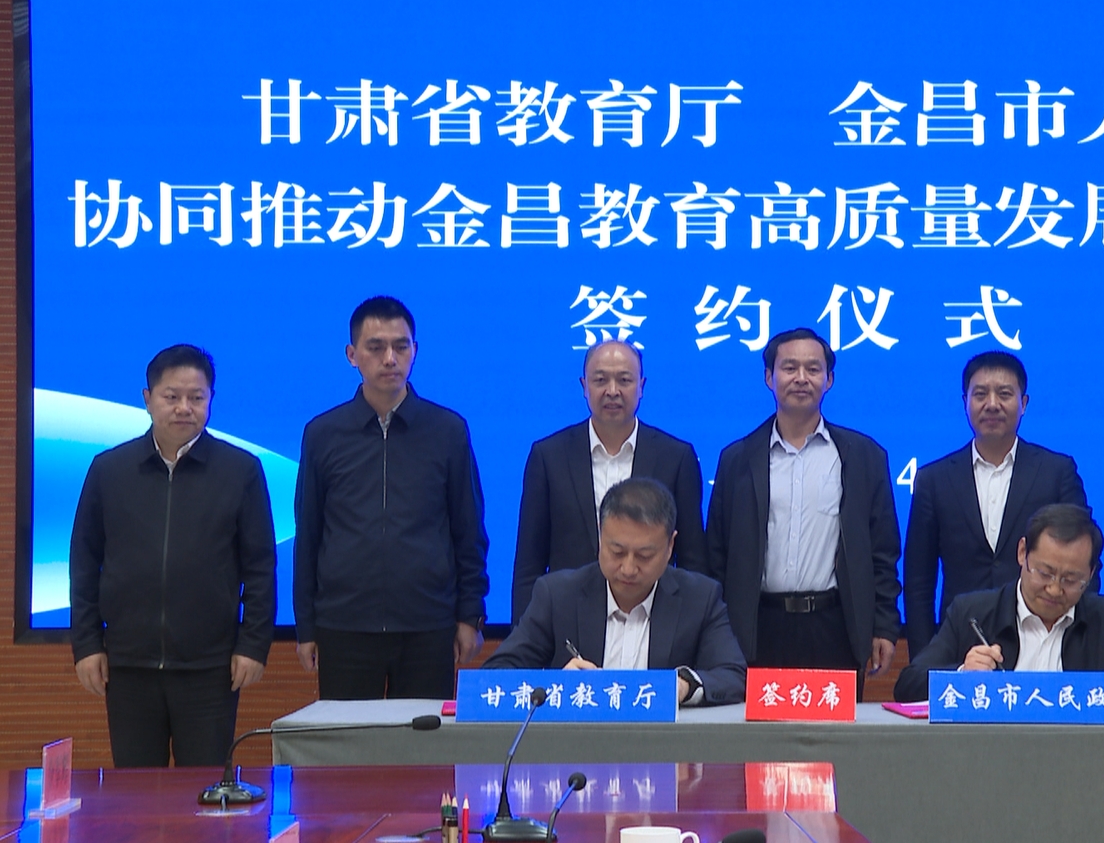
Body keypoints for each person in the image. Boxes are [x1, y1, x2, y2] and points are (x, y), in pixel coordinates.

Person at [69, 345, 275, 766]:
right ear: (147, 399)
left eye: (197, 397)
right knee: (136, 790)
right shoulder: (109, 469)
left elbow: (260, 566)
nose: (184, 408)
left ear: (211, 399)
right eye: (171, 396)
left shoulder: (240, 470)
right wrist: (87, 644)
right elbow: (84, 563)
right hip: (128, 666)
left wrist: (253, 645)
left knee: (203, 789)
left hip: (210, 668)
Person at [294, 296, 489, 700]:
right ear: (352, 355)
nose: (390, 359)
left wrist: (470, 614)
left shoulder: (447, 430)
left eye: (401, 346)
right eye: (376, 347)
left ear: (415, 351)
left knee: (423, 740)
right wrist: (306, 625)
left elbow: (468, 530)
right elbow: (309, 534)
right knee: (347, 740)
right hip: (344, 625)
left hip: (428, 625)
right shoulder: (323, 433)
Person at [705, 328, 900, 687]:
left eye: (813, 369)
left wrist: (885, 626)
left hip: (835, 627)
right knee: (754, 723)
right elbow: (716, 554)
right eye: (789, 367)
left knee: (836, 724)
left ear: (829, 380)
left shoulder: (864, 457)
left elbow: (882, 553)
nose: (801, 378)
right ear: (769, 377)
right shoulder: (737, 459)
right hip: (757, 628)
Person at [486, 477, 746, 706]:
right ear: (601, 538)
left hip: (665, 743)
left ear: (670, 546)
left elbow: (734, 676)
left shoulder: (700, 598)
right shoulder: (557, 595)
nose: (629, 569)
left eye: (644, 555)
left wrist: (684, 686)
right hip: (577, 743)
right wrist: (556, 685)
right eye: (617, 552)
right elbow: (494, 675)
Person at [903, 351, 1090, 656]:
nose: (992, 404)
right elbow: (918, 580)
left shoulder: (1056, 471)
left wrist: (1079, 642)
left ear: (1024, 403)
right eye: (980, 394)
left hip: (1043, 639)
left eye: (1004, 394)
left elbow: (1083, 557)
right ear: (965, 402)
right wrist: (925, 658)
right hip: (960, 643)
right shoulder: (933, 479)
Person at [510, 340, 705, 623]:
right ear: (584, 386)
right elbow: (529, 563)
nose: (612, 391)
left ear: (642, 386)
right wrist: (524, 635)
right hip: (569, 620)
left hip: (653, 621)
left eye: (624, 380)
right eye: (600, 380)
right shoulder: (548, 456)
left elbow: (692, 562)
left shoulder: (676, 457)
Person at [895, 504, 1104, 702]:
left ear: (1091, 573)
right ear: (1022, 553)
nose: (1054, 589)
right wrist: (962, 674)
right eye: (1045, 573)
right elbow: (908, 685)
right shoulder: (971, 613)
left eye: (1071, 580)